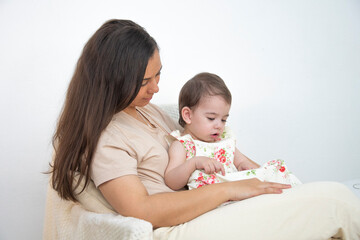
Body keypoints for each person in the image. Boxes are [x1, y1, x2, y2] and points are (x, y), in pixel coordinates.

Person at [49, 19, 360, 239]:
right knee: (335, 201)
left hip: (206, 210)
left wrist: (250, 172)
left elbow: (204, 145)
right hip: (176, 229)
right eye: (146, 81)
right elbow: (141, 210)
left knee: (312, 201)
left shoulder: (147, 111)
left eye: (159, 75)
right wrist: (227, 189)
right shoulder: (107, 138)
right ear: (111, 80)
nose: (156, 88)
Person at [165, 72, 302, 191]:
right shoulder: (183, 145)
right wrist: (194, 163)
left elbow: (244, 162)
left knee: (274, 171)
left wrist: (251, 169)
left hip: (239, 189)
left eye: (224, 120)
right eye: (211, 118)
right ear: (188, 115)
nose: (219, 125)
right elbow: (171, 181)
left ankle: (292, 191)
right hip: (212, 195)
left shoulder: (224, 141)